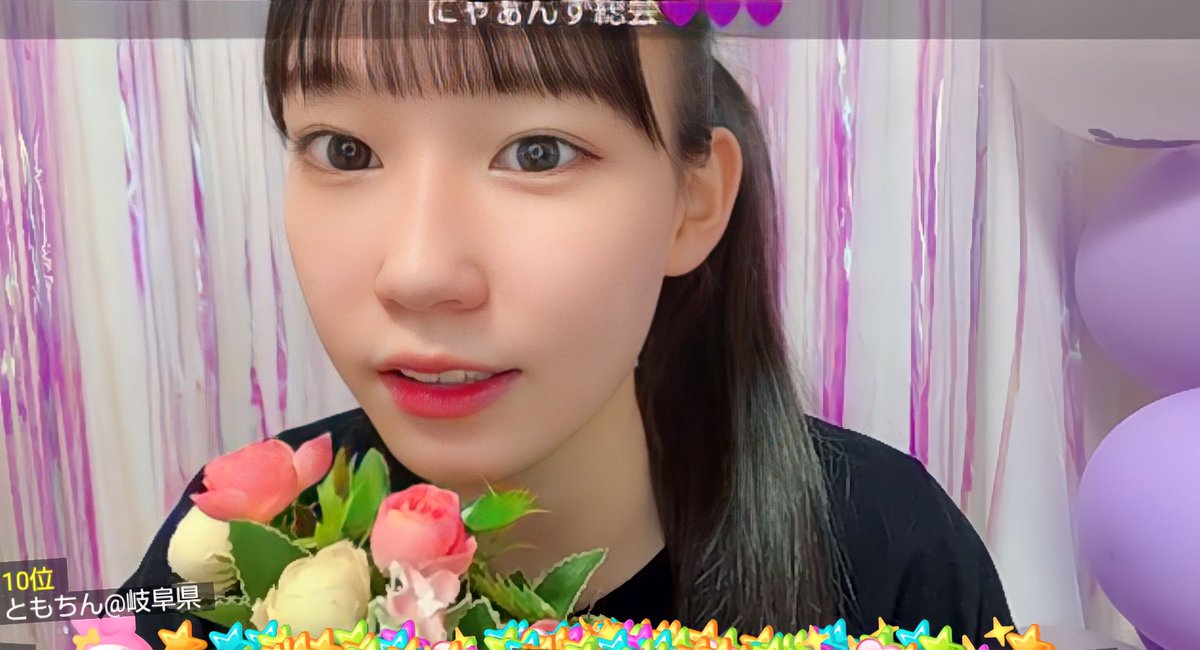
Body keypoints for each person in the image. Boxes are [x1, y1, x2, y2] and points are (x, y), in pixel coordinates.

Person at [123, 0, 1011, 645]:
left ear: (693, 203)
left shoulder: (892, 558)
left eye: (537, 152)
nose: (419, 273)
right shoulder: (235, 544)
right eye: (344, 150)